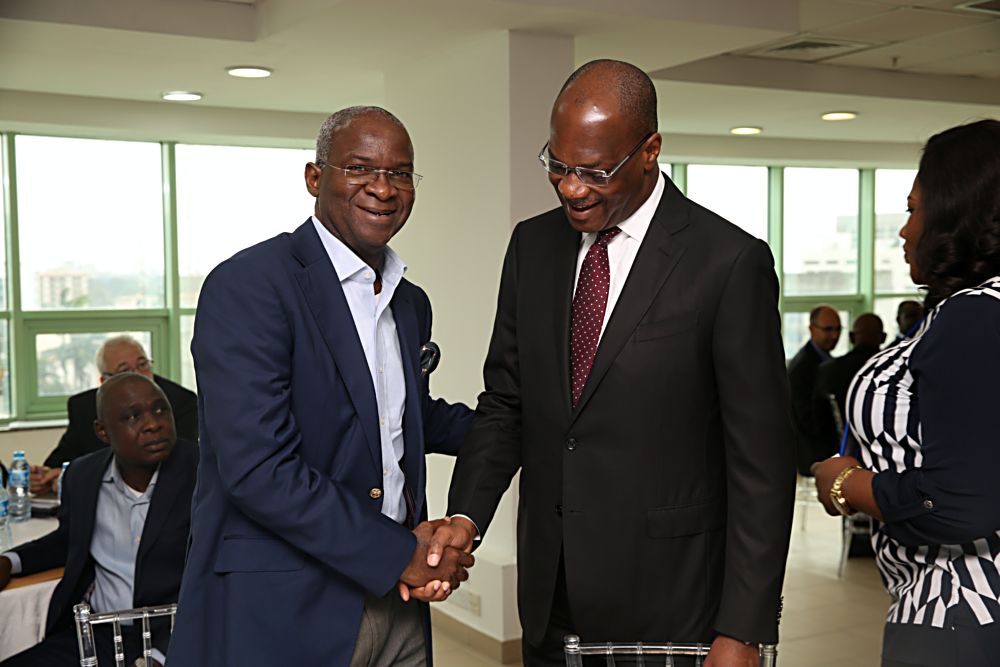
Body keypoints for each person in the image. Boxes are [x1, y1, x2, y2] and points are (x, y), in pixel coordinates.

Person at [428, 60, 794, 667]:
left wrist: (744, 628)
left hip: (673, 604)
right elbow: (507, 403)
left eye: (595, 171)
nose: (572, 188)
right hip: (552, 595)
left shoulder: (727, 263)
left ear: (650, 150)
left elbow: (762, 463)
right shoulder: (533, 246)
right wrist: (467, 514)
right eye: (558, 165)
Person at [167, 106, 475, 667]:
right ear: (316, 177)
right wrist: (398, 552)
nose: (383, 188)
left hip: (399, 606)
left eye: (400, 173)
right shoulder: (250, 286)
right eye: (360, 168)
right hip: (286, 607)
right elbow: (259, 470)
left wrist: (523, 425)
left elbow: (398, 418)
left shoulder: (409, 301)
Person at [813, 119, 1000, 667]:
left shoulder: (972, 318)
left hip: (960, 607)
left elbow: (961, 501)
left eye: (914, 209)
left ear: (954, 216)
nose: (904, 230)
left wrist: (847, 485)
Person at [0, 373, 198, 667]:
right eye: (133, 416)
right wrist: (10, 561)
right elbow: (68, 542)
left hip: (175, 637)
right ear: (102, 431)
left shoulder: (203, 472)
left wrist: (159, 656)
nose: (153, 424)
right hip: (99, 634)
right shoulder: (84, 475)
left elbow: (220, 578)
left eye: (160, 410)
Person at [30, 334, 198, 494]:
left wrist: (71, 477)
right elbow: (60, 461)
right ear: (104, 381)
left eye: (143, 365)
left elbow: (177, 466)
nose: (138, 375)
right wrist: (43, 477)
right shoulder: (85, 407)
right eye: (125, 370)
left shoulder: (181, 401)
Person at [814, 312, 886, 444]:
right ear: (883, 338)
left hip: (841, 449)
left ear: (851, 337)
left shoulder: (829, 370)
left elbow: (818, 420)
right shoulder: (895, 370)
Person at [787, 305, 842, 475]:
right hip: (815, 457)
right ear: (811, 329)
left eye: (838, 329)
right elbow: (806, 418)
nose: (834, 335)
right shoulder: (803, 366)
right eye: (828, 329)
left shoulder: (824, 360)